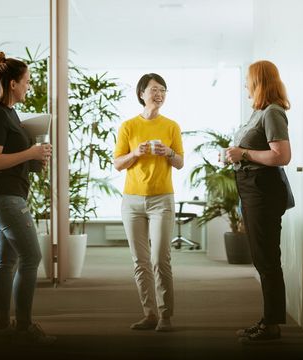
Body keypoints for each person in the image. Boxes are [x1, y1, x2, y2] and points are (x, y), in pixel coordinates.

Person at [0, 51, 55, 344]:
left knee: (6, 261)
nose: (29, 85)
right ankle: (23, 328)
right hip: (4, 197)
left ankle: (2, 329)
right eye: (26, 81)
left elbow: (11, 157)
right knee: (32, 257)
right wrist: (31, 152)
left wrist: (35, 159)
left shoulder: (11, 113)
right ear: (12, 83)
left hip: (9, 195)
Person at [224, 60, 291, 343]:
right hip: (251, 189)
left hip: (263, 191)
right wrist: (235, 154)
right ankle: (269, 321)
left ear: (259, 81)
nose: (245, 86)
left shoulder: (273, 112)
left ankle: (271, 325)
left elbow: (281, 156)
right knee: (262, 258)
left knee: (266, 259)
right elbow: (248, 150)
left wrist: (245, 155)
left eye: (248, 80)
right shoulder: (259, 112)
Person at [114, 73, 184, 332]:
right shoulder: (128, 126)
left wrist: (169, 153)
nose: (159, 94)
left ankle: (166, 316)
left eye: (163, 90)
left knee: (159, 259)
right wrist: (134, 153)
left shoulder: (171, 126)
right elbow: (118, 163)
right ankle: (149, 314)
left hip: (162, 200)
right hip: (132, 201)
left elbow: (180, 162)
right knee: (139, 261)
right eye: (154, 89)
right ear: (142, 93)